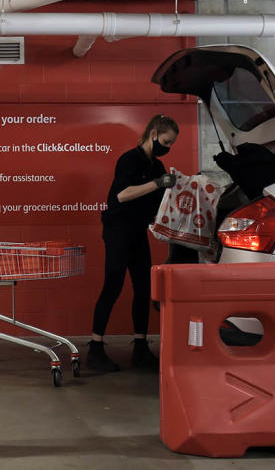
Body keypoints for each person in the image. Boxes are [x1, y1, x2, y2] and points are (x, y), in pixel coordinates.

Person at [86, 114, 179, 372]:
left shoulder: (157, 166)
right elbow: (123, 194)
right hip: (118, 229)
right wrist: (158, 184)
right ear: (153, 135)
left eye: (172, 144)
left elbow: (161, 202)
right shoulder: (129, 159)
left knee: (143, 288)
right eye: (166, 141)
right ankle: (95, 349)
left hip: (138, 230)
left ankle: (140, 348)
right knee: (113, 284)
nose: (168, 147)